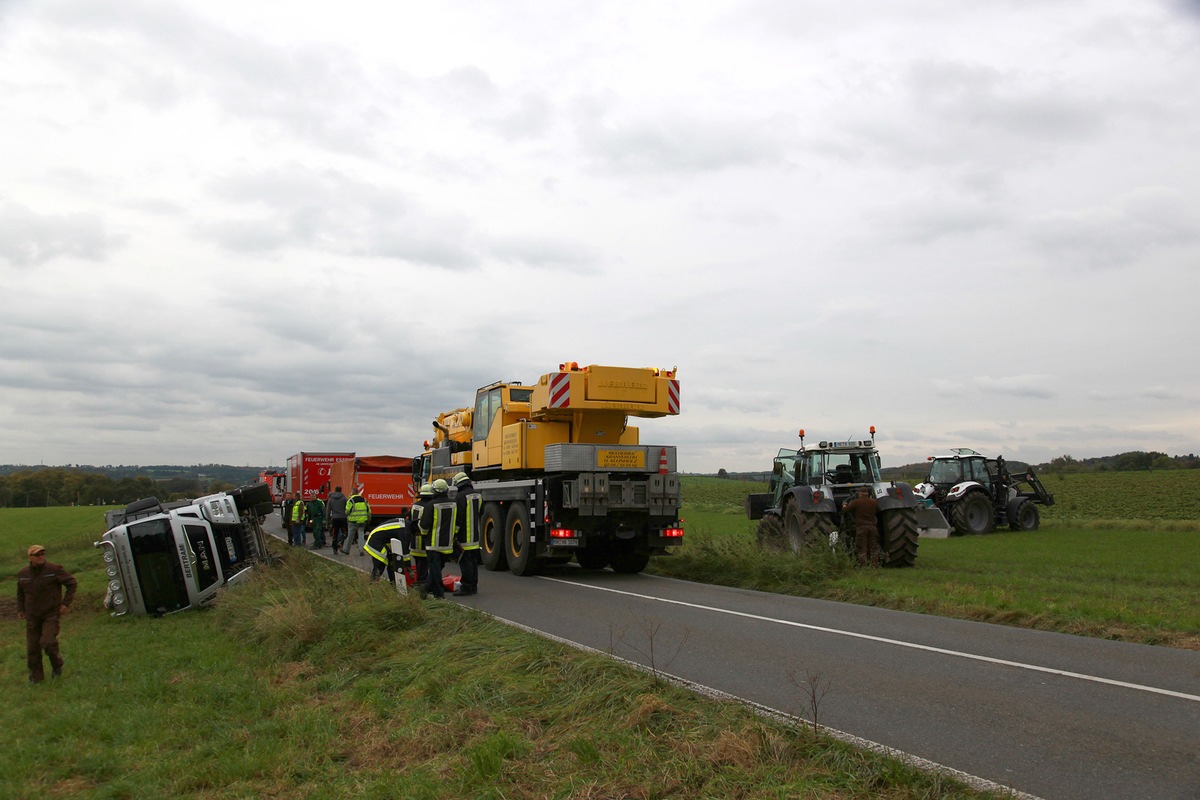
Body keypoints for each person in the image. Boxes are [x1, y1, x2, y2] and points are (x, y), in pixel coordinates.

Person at [16, 545, 77, 684]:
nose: (41, 557)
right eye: (37, 555)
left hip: (51, 613)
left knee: (48, 642)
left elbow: (71, 583)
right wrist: (21, 609)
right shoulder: (23, 573)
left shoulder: (54, 569)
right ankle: (36, 678)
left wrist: (65, 603)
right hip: (32, 616)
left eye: (42, 554)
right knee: (32, 647)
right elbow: (20, 592)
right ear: (30, 558)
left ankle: (57, 666)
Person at [419, 479, 456, 599]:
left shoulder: (431, 505)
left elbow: (424, 526)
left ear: (433, 491)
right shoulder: (453, 504)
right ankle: (428, 587)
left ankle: (438, 594)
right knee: (437, 568)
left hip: (433, 544)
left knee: (435, 569)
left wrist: (423, 534)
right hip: (448, 544)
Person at [451, 472, 481, 596]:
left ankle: (466, 587)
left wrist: (455, 534)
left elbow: (458, 518)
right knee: (473, 562)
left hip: (464, 537)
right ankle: (473, 586)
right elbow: (481, 512)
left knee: (465, 562)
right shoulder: (478, 495)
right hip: (475, 536)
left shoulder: (460, 497)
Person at [364, 517, 410, 587]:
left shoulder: (405, 525)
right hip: (375, 542)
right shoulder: (405, 532)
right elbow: (405, 551)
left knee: (391, 563)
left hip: (377, 539)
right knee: (380, 565)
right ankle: (372, 586)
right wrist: (409, 567)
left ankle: (394, 584)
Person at [844, 486, 881, 567]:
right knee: (873, 547)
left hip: (861, 528)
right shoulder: (874, 502)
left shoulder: (855, 502)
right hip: (872, 527)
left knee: (862, 548)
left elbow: (845, 510)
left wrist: (844, 504)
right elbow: (879, 510)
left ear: (860, 494)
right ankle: (874, 565)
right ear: (868, 493)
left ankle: (863, 566)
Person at [410, 483, 433, 598]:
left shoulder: (415, 505)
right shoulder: (429, 507)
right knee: (425, 566)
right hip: (425, 541)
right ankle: (423, 588)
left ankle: (420, 584)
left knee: (419, 564)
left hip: (415, 541)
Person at [342, 487, 372, 555]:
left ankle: (346, 550)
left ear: (352, 492)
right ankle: (361, 550)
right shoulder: (364, 500)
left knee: (350, 535)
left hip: (353, 521)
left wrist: (347, 515)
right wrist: (368, 518)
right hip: (362, 520)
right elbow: (369, 511)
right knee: (361, 534)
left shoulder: (351, 501)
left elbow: (347, 511)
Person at [326, 485, 349, 552]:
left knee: (334, 533)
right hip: (343, 518)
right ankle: (340, 542)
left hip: (334, 518)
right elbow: (347, 508)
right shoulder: (344, 498)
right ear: (341, 490)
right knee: (345, 532)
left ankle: (334, 547)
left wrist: (327, 521)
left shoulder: (331, 499)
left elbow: (328, 510)